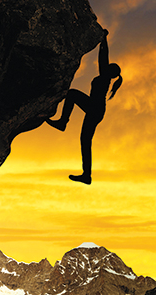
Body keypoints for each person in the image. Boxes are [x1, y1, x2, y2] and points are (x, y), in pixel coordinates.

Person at [46, 29, 122, 185]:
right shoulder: (104, 77)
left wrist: (104, 39)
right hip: (97, 109)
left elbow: (103, 57)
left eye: (109, 67)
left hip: (95, 107)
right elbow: (104, 57)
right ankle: (86, 175)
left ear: (111, 72)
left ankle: (62, 122)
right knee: (85, 141)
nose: (106, 66)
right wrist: (103, 40)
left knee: (72, 94)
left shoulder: (105, 76)